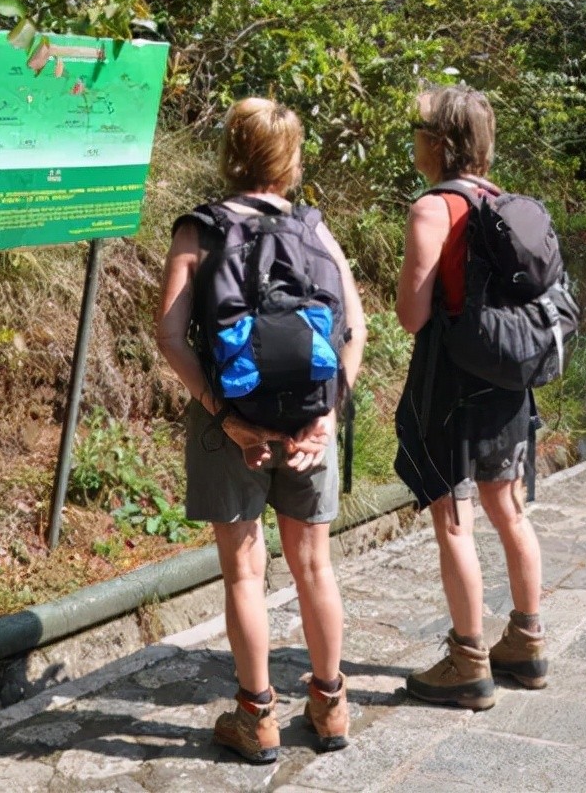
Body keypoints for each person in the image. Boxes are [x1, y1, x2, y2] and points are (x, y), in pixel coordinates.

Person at [155, 97, 367, 763]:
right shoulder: (314, 230)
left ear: (230, 152)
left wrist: (229, 418)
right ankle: (330, 707)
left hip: (233, 425)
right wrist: (327, 416)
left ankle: (257, 719)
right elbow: (355, 330)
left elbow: (169, 335)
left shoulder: (200, 230)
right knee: (313, 565)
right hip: (310, 418)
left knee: (246, 573)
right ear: (291, 159)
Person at [395, 85, 548, 710]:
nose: (414, 139)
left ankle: (468, 661)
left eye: (419, 129)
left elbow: (411, 315)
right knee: (509, 511)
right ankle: (527, 643)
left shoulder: (432, 211)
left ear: (438, 143)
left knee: (453, 519)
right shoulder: (508, 206)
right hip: (510, 382)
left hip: (450, 387)